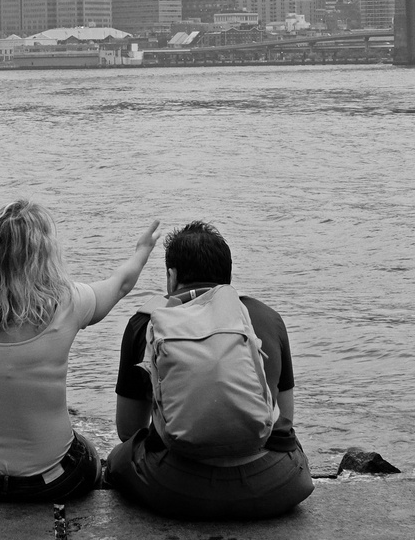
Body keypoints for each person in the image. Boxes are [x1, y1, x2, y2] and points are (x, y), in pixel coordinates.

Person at [0, 199, 160, 502]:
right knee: (89, 452)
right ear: (43, 252)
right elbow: (121, 284)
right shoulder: (68, 301)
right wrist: (142, 249)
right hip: (50, 482)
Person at [105, 221, 312, 520]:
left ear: (171, 276)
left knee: (119, 459)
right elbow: (285, 418)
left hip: (179, 489)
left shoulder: (146, 322)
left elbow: (128, 429)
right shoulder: (268, 317)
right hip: (277, 486)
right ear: (227, 276)